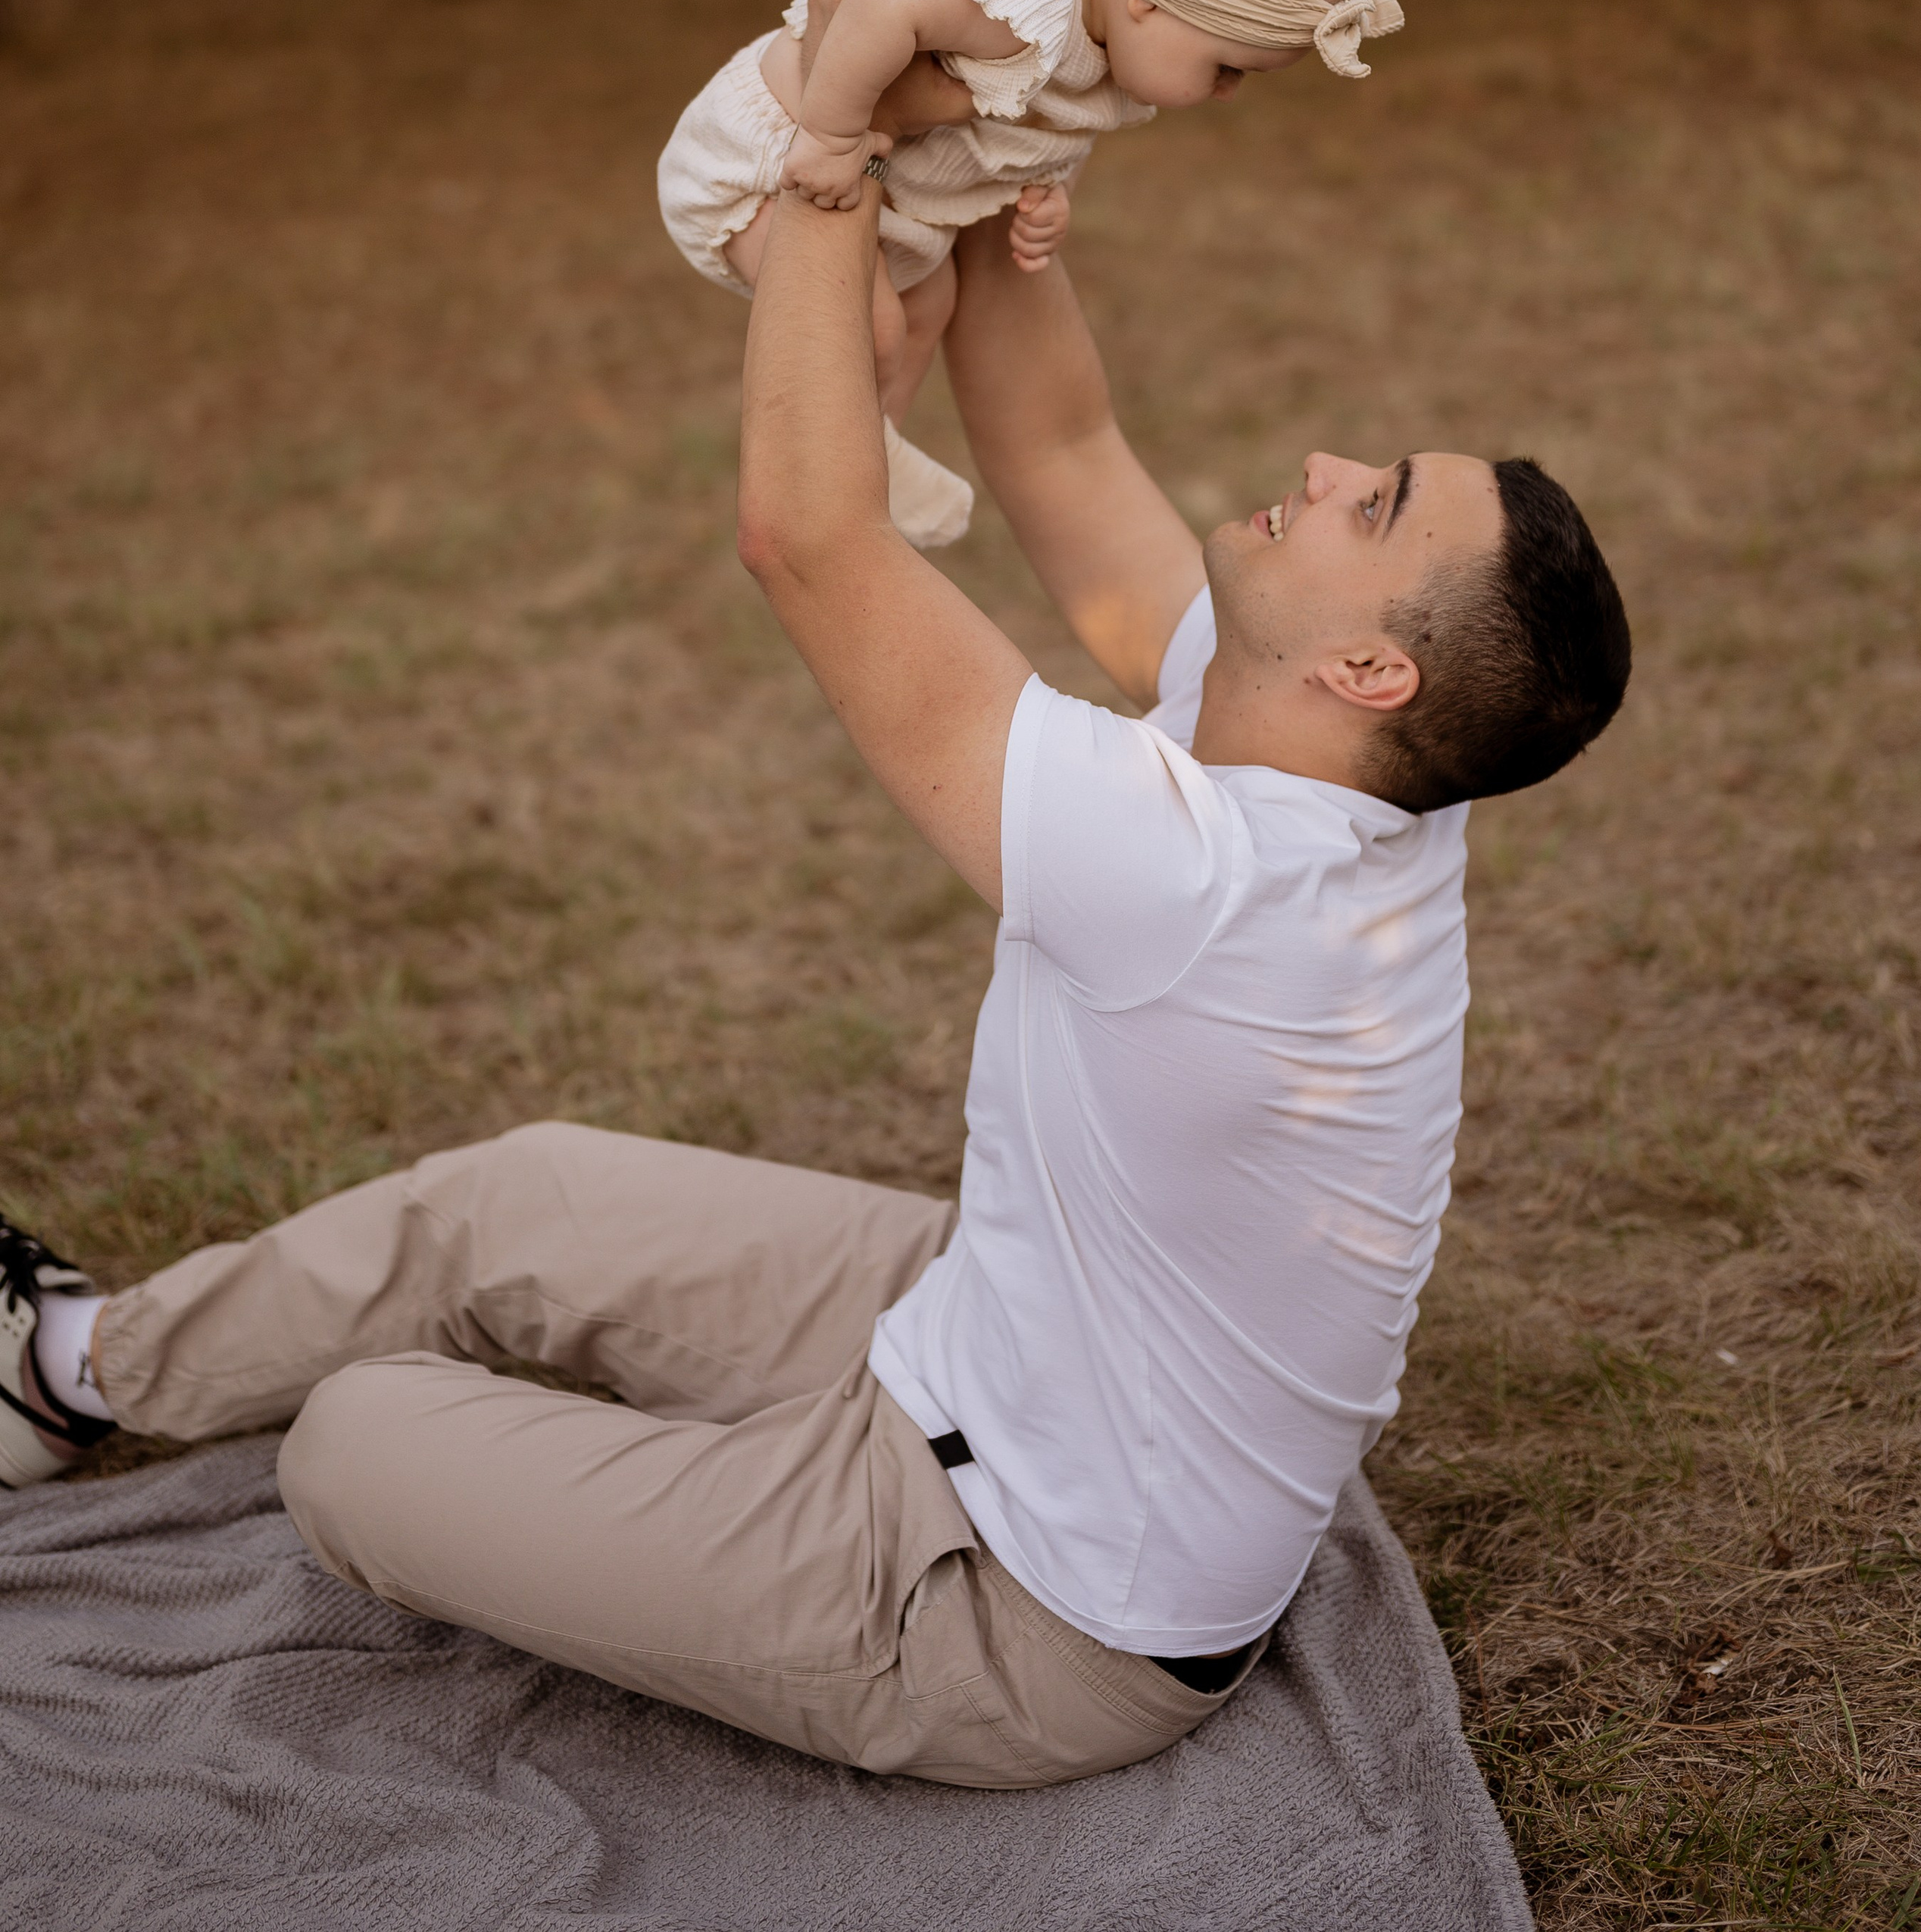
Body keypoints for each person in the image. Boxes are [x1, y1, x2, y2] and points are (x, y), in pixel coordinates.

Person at [0, 134, 1629, 1792]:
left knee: (355, 1442)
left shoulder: (1201, 880)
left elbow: (806, 538)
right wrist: (1005, 190)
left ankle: (615, 1481)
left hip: (1021, 1610)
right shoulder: (1365, 760)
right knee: (516, 1198)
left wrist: (826, 189)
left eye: (1374, 503)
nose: (1327, 456)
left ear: (1363, 662)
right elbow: (1062, 450)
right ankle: (71, 1367)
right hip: (1002, 1319)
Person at [658, 0, 1402, 546]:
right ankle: (818, 481)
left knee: (929, 300)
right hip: (756, 160)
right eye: (1227, 67)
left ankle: (869, 447)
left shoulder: (1108, 38)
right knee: (876, 323)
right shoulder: (1028, 0)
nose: (1227, 92)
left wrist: (1049, 195)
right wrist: (831, 133)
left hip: (883, 203)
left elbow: (1045, 122)